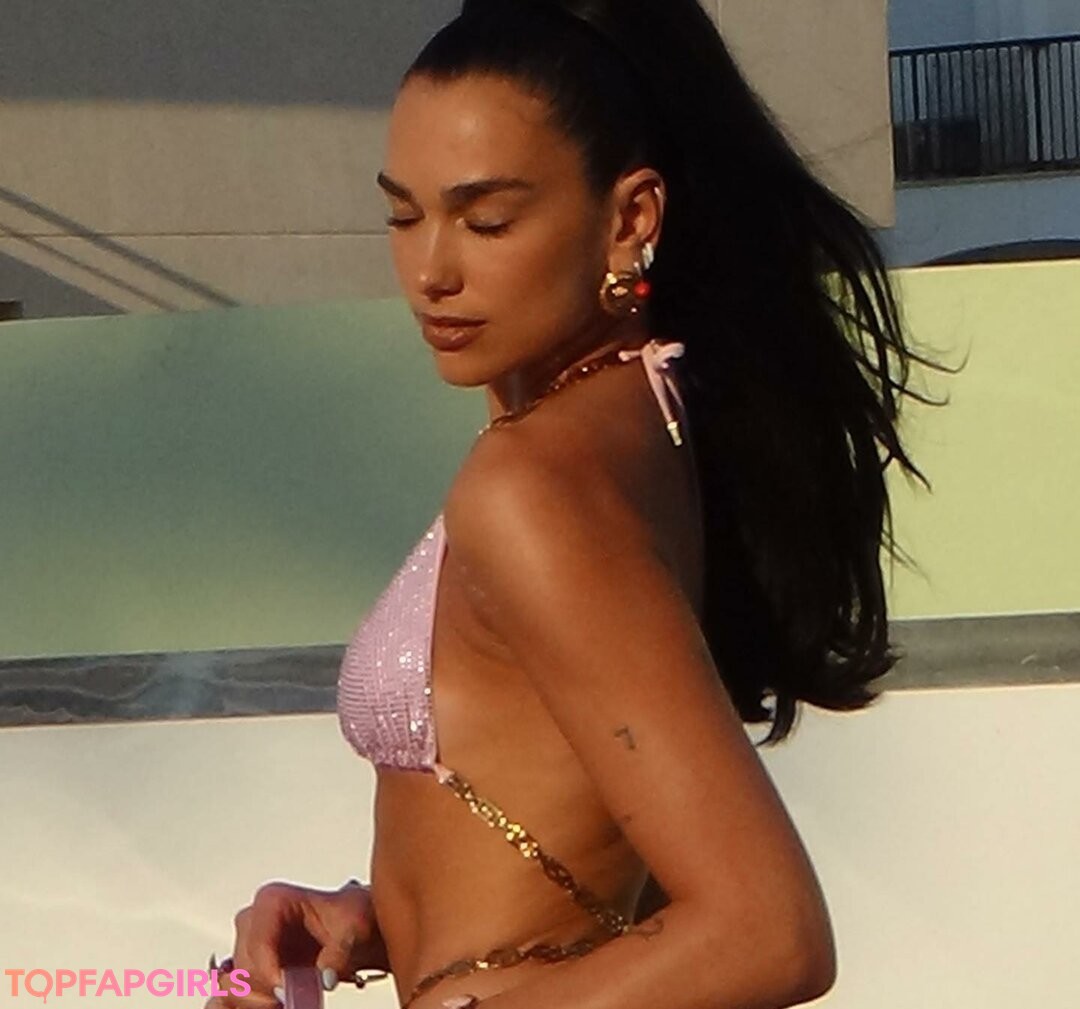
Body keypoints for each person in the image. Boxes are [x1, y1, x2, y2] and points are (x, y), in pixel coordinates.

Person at [207, 2, 951, 1007]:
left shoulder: (533, 483)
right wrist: (371, 915)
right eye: (403, 215)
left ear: (631, 219)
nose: (430, 271)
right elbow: (565, 824)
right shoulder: (644, 418)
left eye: (487, 220)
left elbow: (768, 931)